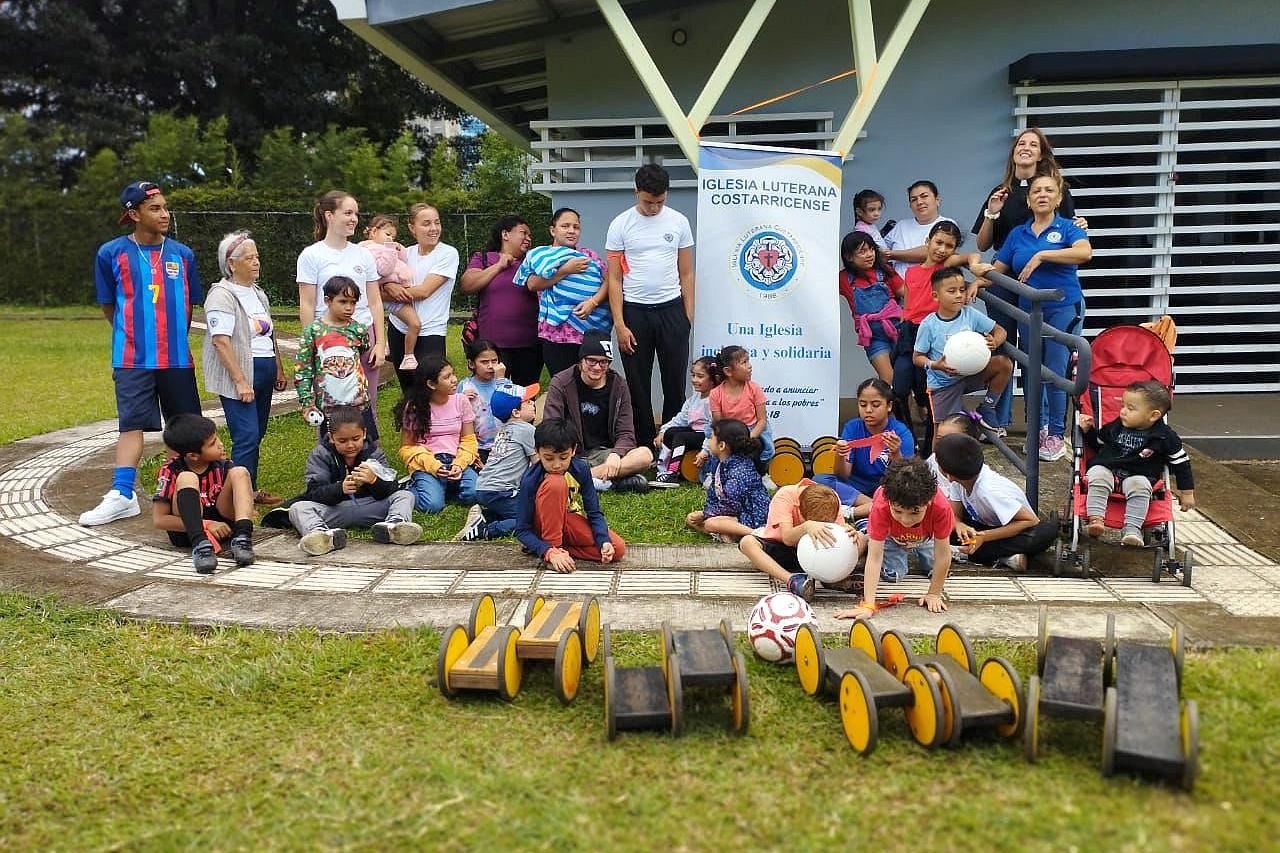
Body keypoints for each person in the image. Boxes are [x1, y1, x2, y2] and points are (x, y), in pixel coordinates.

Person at [82, 181, 204, 527]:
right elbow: (109, 305)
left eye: (165, 207)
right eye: (155, 209)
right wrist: (133, 336)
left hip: (176, 358)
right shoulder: (111, 253)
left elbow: (188, 306)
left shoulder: (183, 254)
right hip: (132, 359)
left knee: (183, 428)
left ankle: (181, 490)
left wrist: (172, 338)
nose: (164, 214)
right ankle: (123, 494)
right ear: (134, 214)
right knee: (131, 424)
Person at [974, 173, 1092, 461]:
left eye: (1049, 190)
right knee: (1033, 371)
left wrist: (1042, 256)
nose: (1042, 195)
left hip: (1062, 307)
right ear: (1028, 200)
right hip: (1029, 312)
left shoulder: (1068, 228)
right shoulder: (1018, 233)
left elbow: (1084, 253)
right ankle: (1037, 430)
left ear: (1058, 198)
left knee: (1055, 370)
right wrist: (977, 281)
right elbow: (1000, 269)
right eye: (1037, 191)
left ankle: (1055, 435)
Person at [606, 164, 696, 449]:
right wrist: (620, 324)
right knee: (638, 385)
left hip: (672, 311)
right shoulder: (620, 224)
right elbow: (614, 278)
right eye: (648, 202)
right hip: (634, 313)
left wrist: (687, 317)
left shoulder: (679, 222)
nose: (654, 207)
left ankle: (671, 443)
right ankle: (643, 445)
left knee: (675, 383)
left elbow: (686, 273)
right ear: (636, 192)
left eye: (660, 201)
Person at [202, 230, 287, 505]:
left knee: (257, 433)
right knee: (246, 436)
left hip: (264, 371)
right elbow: (221, 342)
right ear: (231, 263)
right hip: (241, 376)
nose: (256, 262)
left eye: (257, 257)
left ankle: (249, 488)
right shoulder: (221, 295)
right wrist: (240, 381)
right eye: (249, 258)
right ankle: (237, 498)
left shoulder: (258, 294)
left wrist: (278, 368)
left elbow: (270, 334)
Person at [282, 405, 422, 556]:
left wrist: (374, 480)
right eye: (342, 441)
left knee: (405, 495)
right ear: (331, 438)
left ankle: (393, 526)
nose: (350, 445)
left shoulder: (374, 453)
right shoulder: (320, 455)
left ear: (364, 433)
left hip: (370, 506)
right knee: (298, 508)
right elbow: (314, 492)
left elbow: (391, 487)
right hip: (336, 509)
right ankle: (321, 535)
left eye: (355, 439)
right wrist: (339, 489)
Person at [892, 221, 981, 452]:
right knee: (900, 387)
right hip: (909, 334)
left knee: (928, 392)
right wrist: (903, 323)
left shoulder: (946, 266)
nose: (942, 249)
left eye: (949, 246)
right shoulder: (911, 271)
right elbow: (908, 304)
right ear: (928, 241)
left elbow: (973, 255)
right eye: (938, 242)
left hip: (932, 335)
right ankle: (908, 439)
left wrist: (975, 274)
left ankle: (928, 449)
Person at [296, 190, 385, 415]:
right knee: (330, 401)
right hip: (327, 338)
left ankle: (368, 439)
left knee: (366, 401)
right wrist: (312, 344)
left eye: (356, 213)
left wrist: (380, 343)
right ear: (329, 215)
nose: (354, 218)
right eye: (348, 213)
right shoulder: (311, 255)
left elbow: (375, 301)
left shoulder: (363, 255)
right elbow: (307, 304)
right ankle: (328, 439)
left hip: (364, 333)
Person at [1078, 380, 1195, 546]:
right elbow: (1099, 443)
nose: (1123, 411)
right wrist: (1088, 431)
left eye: (1130, 408)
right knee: (1097, 475)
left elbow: (1181, 463)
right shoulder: (1117, 425)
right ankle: (1096, 519)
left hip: (1139, 474)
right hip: (1108, 468)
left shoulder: (1164, 436)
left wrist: (1187, 492)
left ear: (1153, 415)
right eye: (1123, 406)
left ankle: (1132, 529)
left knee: (1141, 487)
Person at [836, 456, 954, 620]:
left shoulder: (941, 507)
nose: (905, 520)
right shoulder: (881, 506)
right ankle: (868, 530)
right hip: (891, 536)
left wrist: (934, 593)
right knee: (894, 574)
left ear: (928, 502)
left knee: (936, 568)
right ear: (889, 502)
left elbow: (942, 554)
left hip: (926, 537)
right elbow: (875, 557)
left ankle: (872, 532)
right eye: (897, 511)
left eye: (914, 512)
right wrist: (868, 604)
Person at [543, 331, 655, 493]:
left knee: (645, 455)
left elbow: (626, 433)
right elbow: (551, 425)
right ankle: (611, 480)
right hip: (570, 454)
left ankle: (579, 480)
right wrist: (567, 453)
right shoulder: (561, 382)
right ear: (581, 361)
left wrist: (616, 454)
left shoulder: (619, 385)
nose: (597, 367)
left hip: (605, 454)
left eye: (603, 362)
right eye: (592, 361)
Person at [913, 266, 1012, 445]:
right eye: (952, 291)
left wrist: (995, 341)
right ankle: (937, 461)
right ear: (936, 296)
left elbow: (1000, 331)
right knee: (942, 432)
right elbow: (917, 357)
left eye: (962, 289)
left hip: (971, 374)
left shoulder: (970, 314)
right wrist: (935, 365)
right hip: (943, 383)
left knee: (1003, 363)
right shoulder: (929, 325)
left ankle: (987, 407)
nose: (959, 295)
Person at [514, 418, 627, 573]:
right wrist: (549, 551)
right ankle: (552, 550)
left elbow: (594, 512)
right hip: (542, 527)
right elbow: (522, 530)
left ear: (573, 450)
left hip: (567, 520)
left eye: (563, 457)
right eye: (548, 458)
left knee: (616, 548)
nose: (556, 465)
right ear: (537, 452)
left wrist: (603, 541)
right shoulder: (530, 479)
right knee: (556, 482)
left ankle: (557, 550)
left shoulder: (581, 469)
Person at [934, 433, 1057, 571]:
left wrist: (984, 537)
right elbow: (954, 514)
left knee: (1045, 534)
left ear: (949, 475)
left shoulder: (988, 490)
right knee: (940, 522)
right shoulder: (959, 480)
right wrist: (959, 525)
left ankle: (968, 553)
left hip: (1013, 530)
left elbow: (1031, 520)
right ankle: (1004, 557)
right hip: (984, 527)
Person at [515, 207, 613, 377]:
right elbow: (532, 285)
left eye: (576, 227)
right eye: (565, 226)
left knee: (594, 380)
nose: (571, 231)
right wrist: (565, 270)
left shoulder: (589, 254)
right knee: (564, 382)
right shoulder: (542, 256)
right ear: (553, 230)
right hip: (557, 334)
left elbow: (609, 280)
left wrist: (593, 302)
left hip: (591, 332)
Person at [151, 414, 255, 574]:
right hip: (187, 532)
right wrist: (206, 524)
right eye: (213, 443)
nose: (220, 444)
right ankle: (200, 545)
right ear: (193, 455)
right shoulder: (171, 470)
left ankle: (243, 536)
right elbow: (159, 520)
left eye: (217, 438)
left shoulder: (223, 465)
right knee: (187, 477)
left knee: (239, 472)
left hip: (225, 527)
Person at [383, 203, 460, 393]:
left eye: (437, 223)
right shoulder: (403, 253)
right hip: (398, 330)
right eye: (426, 224)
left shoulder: (448, 253)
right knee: (408, 391)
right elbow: (382, 281)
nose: (433, 228)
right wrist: (389, 286)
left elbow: (424, 291)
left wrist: (388, 292)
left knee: (432, 393)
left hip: (430, 332)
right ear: (412, 227)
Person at [739, 481, 856, 602]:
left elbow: (837, 533)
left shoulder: (831, 499)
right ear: (799, 509)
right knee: (747, 542)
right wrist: (806, 526)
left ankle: (832, 579)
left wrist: (846, 532)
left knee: (859, 538)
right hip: (781, 549)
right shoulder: (785, 496)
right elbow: (787, 539)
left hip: (817, 554)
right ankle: (793, 581)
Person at [460, 214, 541, 386]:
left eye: (530, 235)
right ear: (505, 234)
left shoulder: (534, 262)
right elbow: (467, 285)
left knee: (525, 396)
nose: (528, 238)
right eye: (523, 233)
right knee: (490, 393)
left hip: (529, 345)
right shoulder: (483, 258)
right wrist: (499, 266)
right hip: (491, 348)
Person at [815, 378, 915, 514]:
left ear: (889, 406)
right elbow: (842, 475)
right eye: (863, 405)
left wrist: (896, 453)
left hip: (887, 486)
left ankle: (864, 508)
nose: (868, 410)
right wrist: (840, 454)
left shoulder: (901, 432)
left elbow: (906, 476)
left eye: (875, 405)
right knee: (820, 480)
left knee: (908, 489)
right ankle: (875, 506)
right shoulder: (852, 427)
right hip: (856, 487)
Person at [293, 276, 377, 440]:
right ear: (327, 300)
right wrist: (307, 403)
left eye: (353, 303)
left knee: (365, 444)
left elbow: (363, 349)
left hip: (359, 404)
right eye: (343, 301)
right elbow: (302, 370)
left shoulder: (358, 330)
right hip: (329, 406)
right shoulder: (313, 331)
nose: (349, 308)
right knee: (332, 447)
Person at [396, 353, 479, 513]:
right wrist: (433, 465)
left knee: (475, 493)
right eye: (447, 377)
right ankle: (410, 489)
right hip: (427, 462)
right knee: (432, 505)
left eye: (453, 374)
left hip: (455, 458)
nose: (454, 380)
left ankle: (443, 487)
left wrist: (459, 464)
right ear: (431, 384)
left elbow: (469, 439)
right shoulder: (414, 408)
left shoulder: (461, 401)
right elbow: (406, 448)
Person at [461, 384, 540, 541]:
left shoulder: (503, 431)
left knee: (511, 509)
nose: (533, 403)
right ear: (516, 412)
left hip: (484, 487)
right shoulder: (527, 430)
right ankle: (485, 530)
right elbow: (538, 464)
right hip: (502, 490)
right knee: (530, 519)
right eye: (528, 401)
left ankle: (485, 516)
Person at [685, 419, 771, 542]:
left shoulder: (739, 470)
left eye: (711, 438)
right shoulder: (718, 462)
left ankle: (757, 534)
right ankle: (728, 534)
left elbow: (731, 505)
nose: (709, 441)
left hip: (753, 516)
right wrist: (706, 512)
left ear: (722, 446)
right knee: (691, 519)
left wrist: (705, 514)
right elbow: (713, 494)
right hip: (732, 514)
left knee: (710, 524)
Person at [839, 230, 905, 384]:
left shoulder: (885, 271)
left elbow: (907, 294)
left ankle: (907, 401)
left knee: (904, 379)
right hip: (873, 337)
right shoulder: (843, 278)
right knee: (888, 379)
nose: (869, 255)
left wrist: (905, 314)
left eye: (871, 249)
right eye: (862, 251)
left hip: (898, 330)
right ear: (849, 257)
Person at [359, 214, 421, 372]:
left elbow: (402, 260)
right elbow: (383, 269)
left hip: (394, 293)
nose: (390, 239)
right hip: (386, 297)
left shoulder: (384, 248)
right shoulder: (368, 250)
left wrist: (398, 249)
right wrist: (391, 250)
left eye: (393, 236)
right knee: (414, 323)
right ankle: (408, 355)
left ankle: (392, 349)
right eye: (387, 234)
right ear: (374, 232)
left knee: (413, 323)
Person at [699, 345, 773, 466]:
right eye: (744, 362)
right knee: (718, 453)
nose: (749, 366)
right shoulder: (715, 394)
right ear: (728, 371)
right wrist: (730, 443)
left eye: (748, 361)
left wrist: (748, 439)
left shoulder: (754, 388)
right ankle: (717, 472)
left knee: (756, 449)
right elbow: (719, 424)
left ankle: (759, 472)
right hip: (728, 434)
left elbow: (762, 421)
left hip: (752, 433)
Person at [653, 356, 721, 485]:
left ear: (713, 379)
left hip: (708, 437)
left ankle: (673, 472)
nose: (694, 380)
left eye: (700, 376)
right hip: (694, 434)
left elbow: (713, 429)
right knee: (671, 432)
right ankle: (663, 469)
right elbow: (680, 419)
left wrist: (705, 450)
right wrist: (663, 431)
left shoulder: (714, 400)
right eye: (693, 375)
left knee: (681, 437)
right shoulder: (694, 399)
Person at [883, 180, 958, 278]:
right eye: (914, 199)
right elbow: (880, 249)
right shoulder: (901, 225)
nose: (919, 202)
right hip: (897, 285)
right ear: (910, 206)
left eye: (924, 196)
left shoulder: (947, 224)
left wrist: (891, 255)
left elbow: (931, 251)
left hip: (931, 285)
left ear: (937, 200)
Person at [456, 338, 513, 460]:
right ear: (471, 364)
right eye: (484, 362)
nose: (490, 366)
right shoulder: (465, 386)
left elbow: (513, 408)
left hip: (505, 444)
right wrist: (461, 399)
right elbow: (453, 412)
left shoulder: (505, 384)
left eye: (494, 361)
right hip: (476, 447)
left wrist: (501, 380)